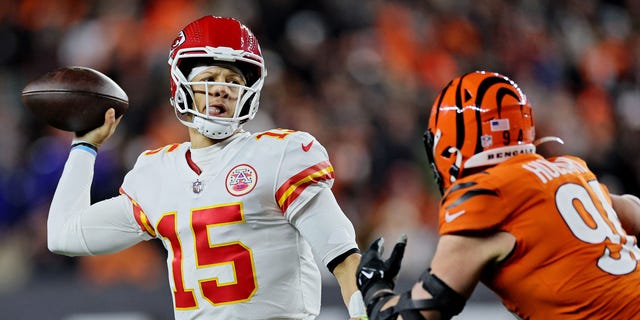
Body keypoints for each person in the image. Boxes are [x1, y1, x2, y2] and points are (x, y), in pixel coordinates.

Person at [47, 15, 368, 320]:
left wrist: (361, 309)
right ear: (181, 85)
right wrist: (84, 146)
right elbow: (64, 235)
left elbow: (342, 256)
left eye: (233, 80)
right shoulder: (157, 173)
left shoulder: (281, 155)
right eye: (209, 78)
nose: (222, 88)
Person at [355, 70, 640, 319]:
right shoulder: (570, 169)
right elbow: (632, 206)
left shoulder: (483, 196)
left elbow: (420, 315)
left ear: (449, 144)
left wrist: (373, 287)